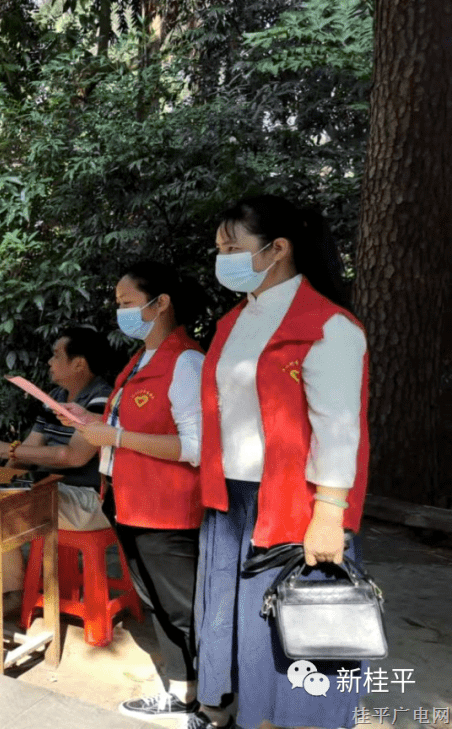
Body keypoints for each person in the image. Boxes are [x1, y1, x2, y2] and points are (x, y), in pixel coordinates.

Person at [189, 195, 370, 729]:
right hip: (232, 500)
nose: (222, 258)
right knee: (248, 625)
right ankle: (254, 717)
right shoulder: (234, 322)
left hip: (294, 504)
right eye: (219, 248)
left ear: (279, 249)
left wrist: (329, 514)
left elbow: (340, 428)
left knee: (304, 629)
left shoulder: (328, 326)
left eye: (232, 247)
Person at [60, 261, 205, 721]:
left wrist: (116, 437)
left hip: (169, 511)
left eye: (126, 303)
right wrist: (94, 425)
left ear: (160, 303)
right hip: (130, 504)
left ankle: (210, 703)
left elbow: (196, 447)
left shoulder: (185, 361)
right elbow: (128, 427)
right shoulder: (140, 362)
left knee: (184, 612)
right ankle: (183, 695)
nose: (119, 312)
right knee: (159, 606)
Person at [0, 327, 117, 595]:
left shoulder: (102, 398)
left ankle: (10, 594)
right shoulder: (54, 398)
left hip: (90, 499)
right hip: (54, 489)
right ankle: (11, 590)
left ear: (78, 364)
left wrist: (8, 449)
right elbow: (30, 449)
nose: (49, 362)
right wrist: (0, 481)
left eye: (56, 355)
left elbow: (73, 456)